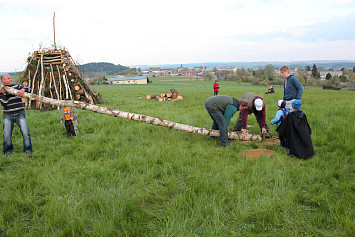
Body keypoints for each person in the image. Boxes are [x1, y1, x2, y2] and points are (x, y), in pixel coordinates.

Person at [0, 74, 32, 155]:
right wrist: (4, 95)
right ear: (3, 80)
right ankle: (7, 151)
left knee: (25, 132)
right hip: (8, 115)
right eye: (8, 78)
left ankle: (28, 149)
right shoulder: (1, 90)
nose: (10, 79)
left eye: (10, 78)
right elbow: (4, 104)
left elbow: (29, 89)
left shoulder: (16, 86)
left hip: (20, 113)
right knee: (6, 134)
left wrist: (23, 90)